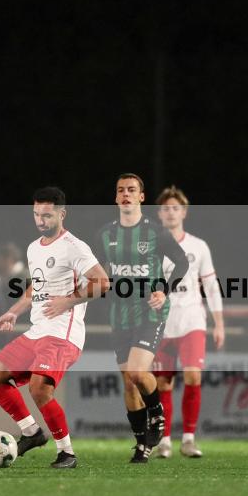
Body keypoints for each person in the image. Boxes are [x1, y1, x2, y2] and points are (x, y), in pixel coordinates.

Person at [0, 187, 110, 469]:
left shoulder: (74, 246)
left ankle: (67, 453)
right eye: (36, 214)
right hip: (37, 331)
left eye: (47, 215)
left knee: (40, 389)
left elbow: (102, 282)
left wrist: (68, 301)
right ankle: (31, 432)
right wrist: (13, 312)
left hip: (63, 333)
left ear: (62, 214)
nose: (40, 220)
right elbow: (34, 288)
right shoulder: (32, 248)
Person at [95, 173, 190, 463]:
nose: (126, 194)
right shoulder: (105, 234)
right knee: (128, 382)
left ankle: (157, 414)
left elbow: (183, 262)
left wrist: (165, 290)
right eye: (121, 190)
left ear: (141, 197)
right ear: (115, 197)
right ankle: (142, 445)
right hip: (119, 314)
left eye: (131, 190)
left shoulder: (155, 232)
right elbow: (100, 273)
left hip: (150, 312)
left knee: (137, 372)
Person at [151, 186, 225, 459]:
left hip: (192, 319)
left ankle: (189, 439)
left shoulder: (198, 246)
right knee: (163, 384)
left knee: (194, 375)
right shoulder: (151, 247)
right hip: (161, 322)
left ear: (184, 212)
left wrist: (219, 323)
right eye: (166, 208)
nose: (171, 212)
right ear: (159, 214)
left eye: (175, 208)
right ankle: (165, 441)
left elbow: (211, 285)